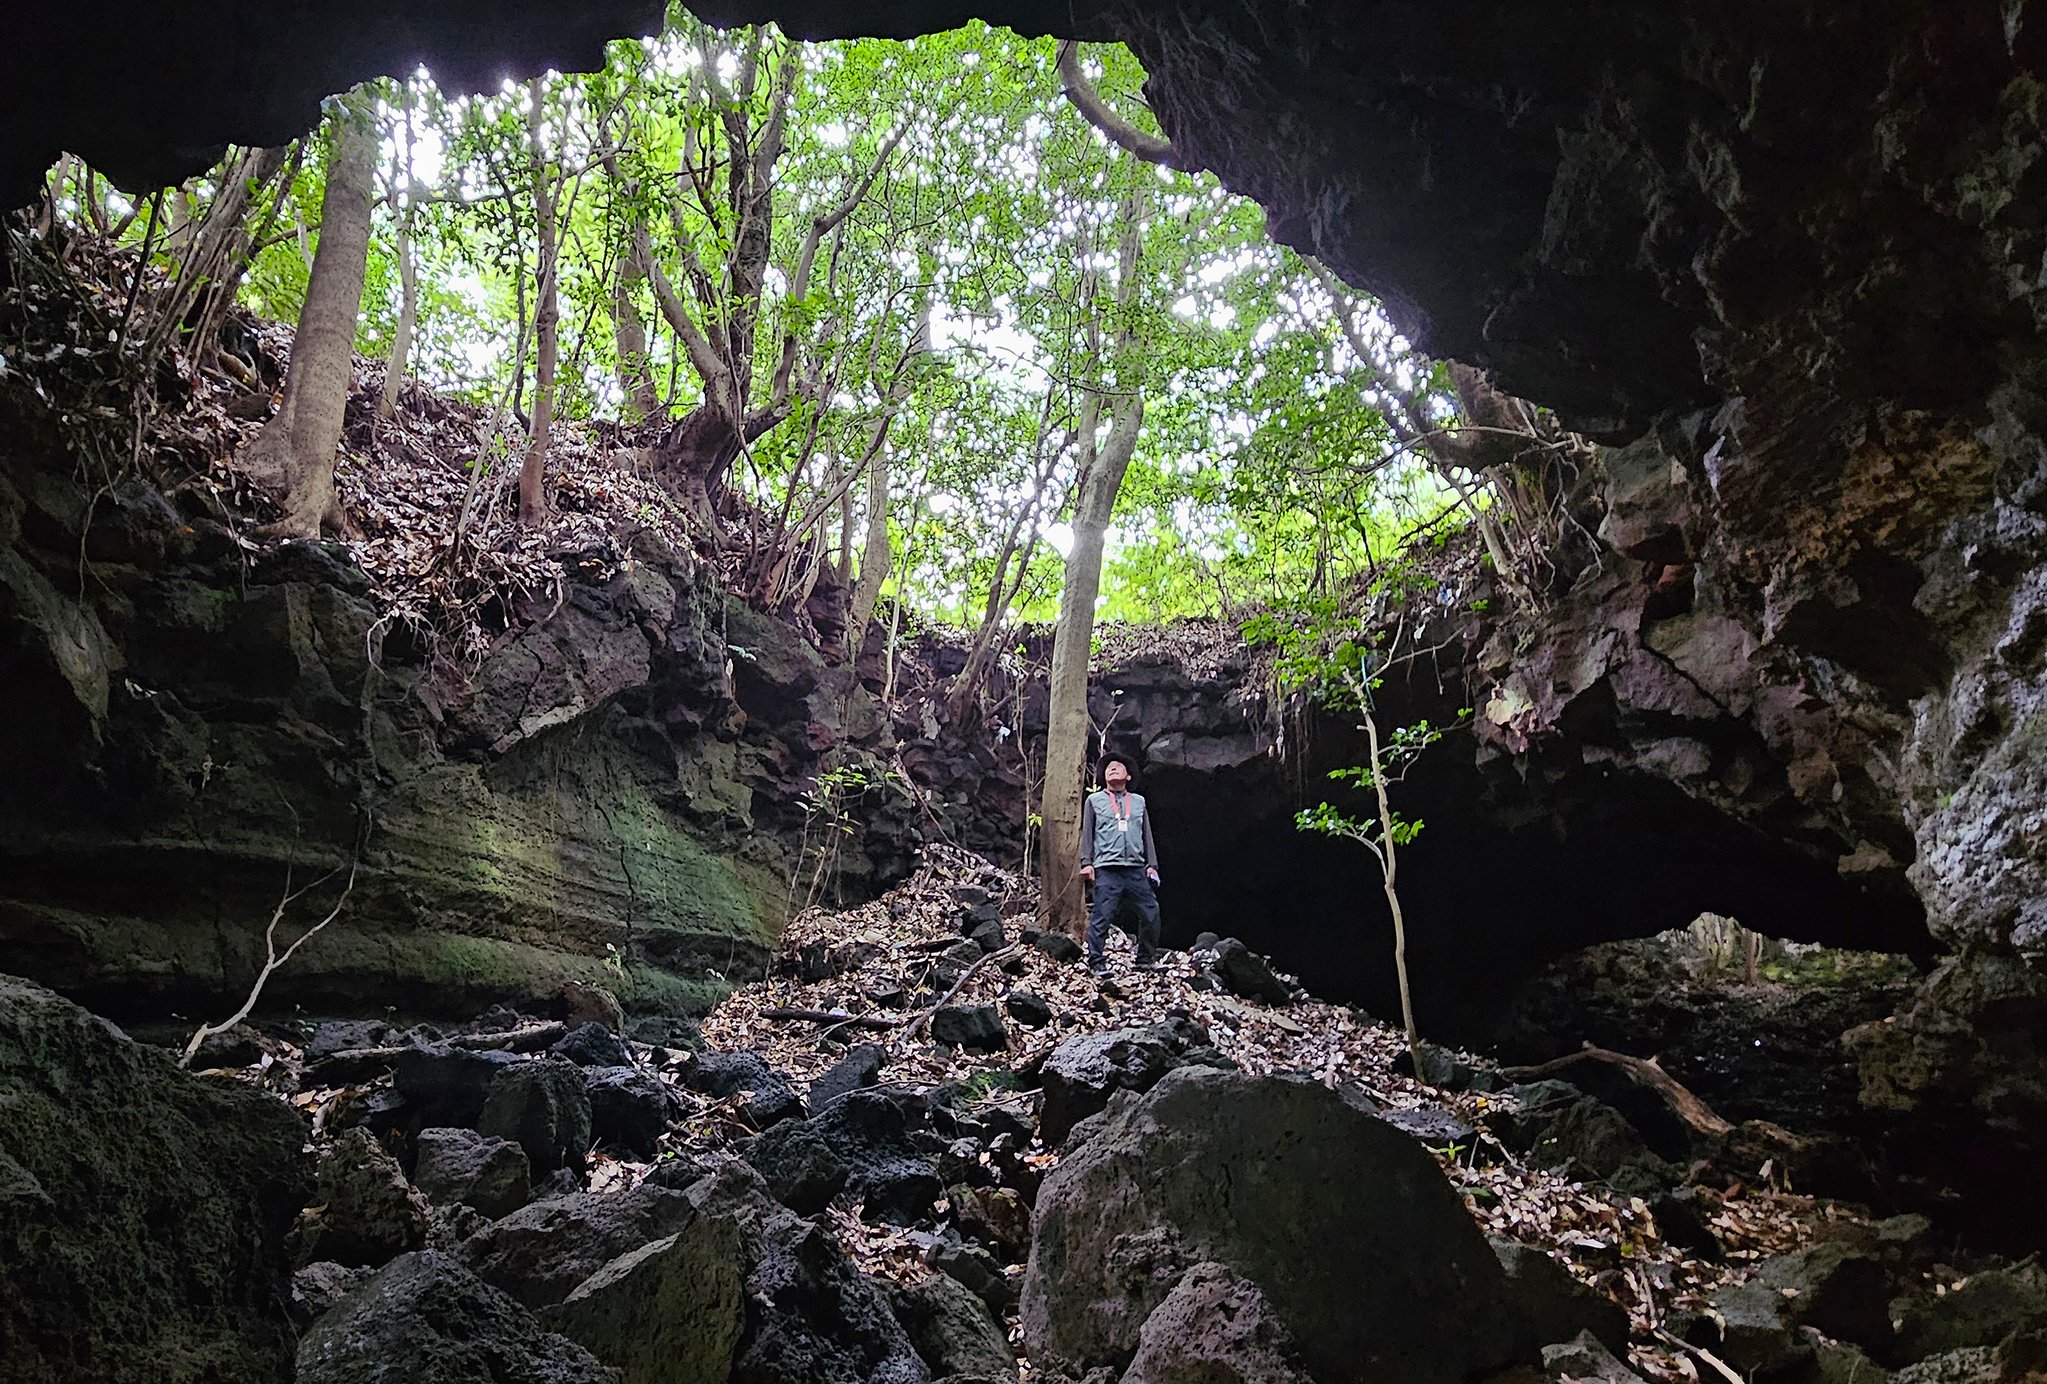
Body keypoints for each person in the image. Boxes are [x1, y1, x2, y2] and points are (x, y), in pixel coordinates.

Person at [1079, 753, 1161, 977]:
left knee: (1151, 913)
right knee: (1102, 916)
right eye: (1108, 768)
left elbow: (1147, 835)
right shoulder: (1094, 801)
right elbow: (1087, 833)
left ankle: (1145, 959)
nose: (1112, 769)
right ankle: (1096, 962)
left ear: (1128, 776)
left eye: (1118, 767)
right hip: (1107, 868)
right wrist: (1087, 863)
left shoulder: (1138, 801)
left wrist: (1151, 865)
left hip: (1135, 868)